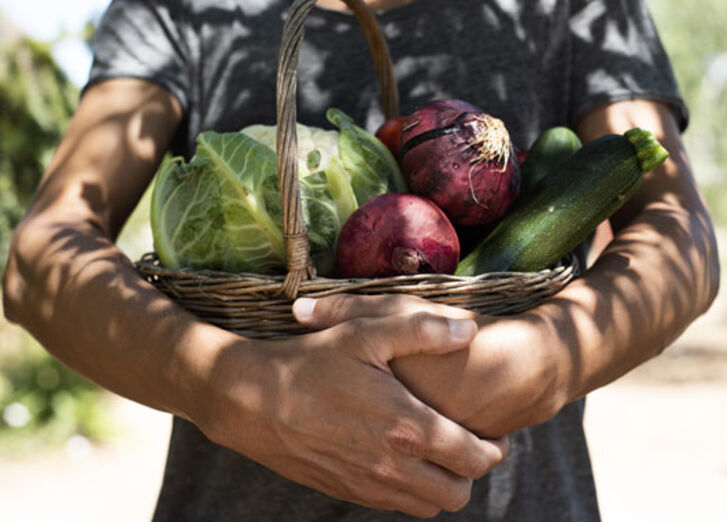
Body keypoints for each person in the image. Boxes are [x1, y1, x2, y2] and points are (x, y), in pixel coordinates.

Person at [2, 0, 718, 520]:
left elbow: (676, 232)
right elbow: (41, 257)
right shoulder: (178, 9)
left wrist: (540, 363)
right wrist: (231, 390)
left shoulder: (575, 9)